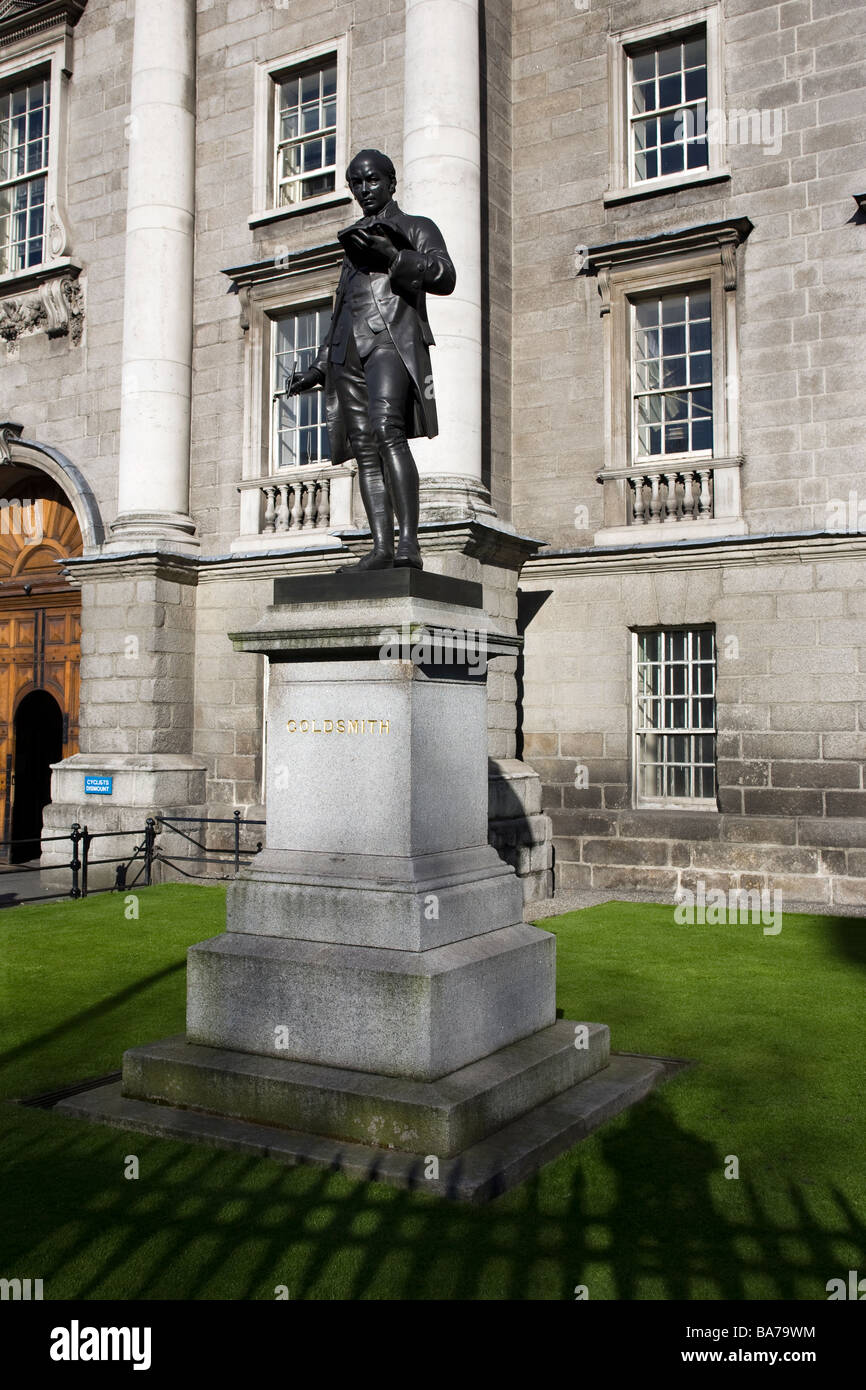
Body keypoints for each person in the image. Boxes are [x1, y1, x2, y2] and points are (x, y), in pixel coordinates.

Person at [285, 149, 455, 571]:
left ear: (391, 182)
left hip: (389, 340)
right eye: (356, 183)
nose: (364, 190)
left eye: (372, 180)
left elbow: (444, 275)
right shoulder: (352, 242)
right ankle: (381, 547)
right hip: (346, 351)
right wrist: (320, 365)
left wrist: (394, 258)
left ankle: (408, 545)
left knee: (387, 430)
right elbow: (342, 307)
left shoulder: (416, 226)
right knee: (363, 447)